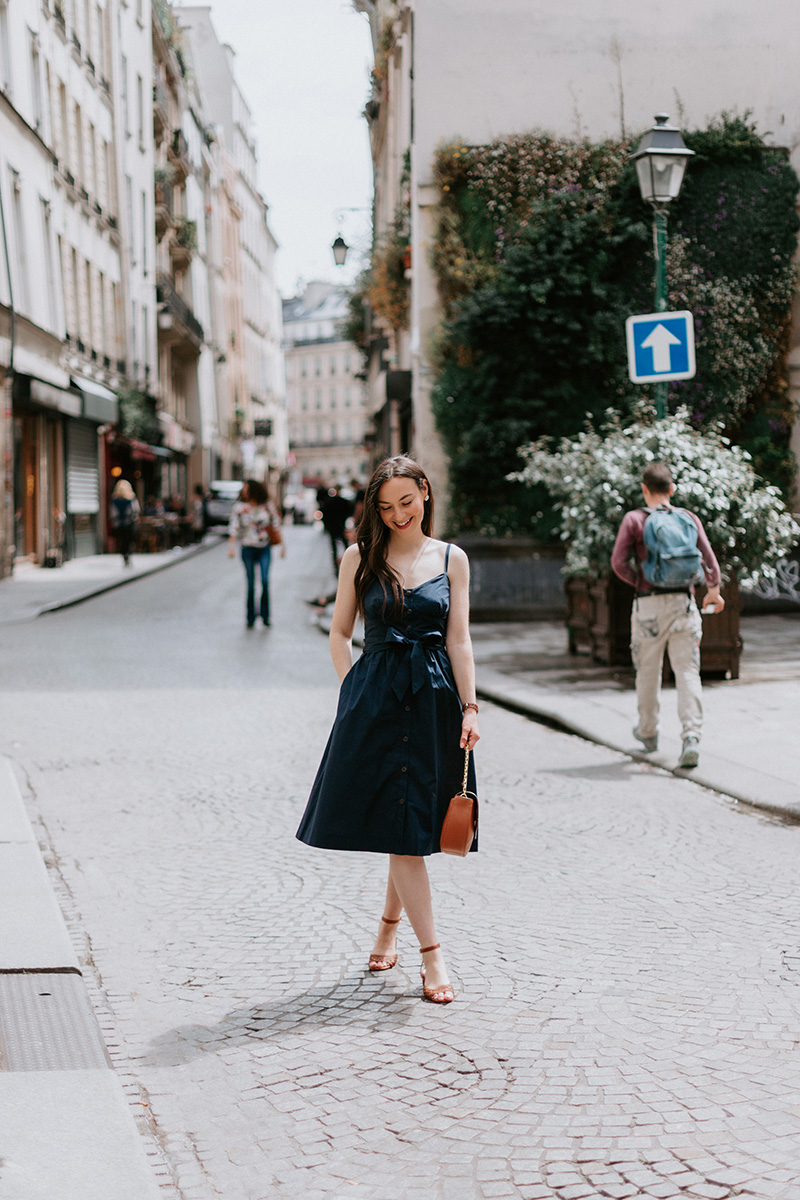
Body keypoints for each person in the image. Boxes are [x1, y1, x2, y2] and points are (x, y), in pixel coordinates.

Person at [296, 455, 480, 1005]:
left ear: (424, 492)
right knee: (401, 827)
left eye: (406, 501)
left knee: (410, 827)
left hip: (434, 703)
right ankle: (433, 956)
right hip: (376, 702)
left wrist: (471, 707)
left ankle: (385, 930)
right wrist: (353, 688)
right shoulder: (360, 556)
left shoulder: (452, 559)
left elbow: (460, 640)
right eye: (386, 507)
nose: (398, 514)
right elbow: (339, 633)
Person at [611, 461, 724, 769]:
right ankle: (691, 737)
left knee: (648, 672)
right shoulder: (688, 518)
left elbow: (619, 562)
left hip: (648, 605)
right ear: (672, 489)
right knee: (687, 672)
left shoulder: (634, 519)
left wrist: (640, 582)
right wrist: (713, 590)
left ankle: (648, 732)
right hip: (683, 605)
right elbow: (709, 561)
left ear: (644, 489)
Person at [228, 479, 285, 628]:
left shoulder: (267, 505)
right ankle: (250, 616)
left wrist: (283, 545)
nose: (244, 491)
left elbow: (276, 523)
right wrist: (231, 547)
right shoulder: (240, 507)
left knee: (265, 581)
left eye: (246, 488)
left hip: (264, 547)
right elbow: (234, 527)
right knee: (251, 583)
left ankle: (265, 616)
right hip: (247, 548)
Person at [321, 485, 353, 571]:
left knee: (334, 547)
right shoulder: (343, 501)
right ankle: (347, 562)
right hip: (341, 525)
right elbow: (349, 512)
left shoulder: (329, 502)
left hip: (333, 527)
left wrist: (327, 526)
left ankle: (337, 564)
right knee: (345, 544)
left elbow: (324, 515)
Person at [110, 479, 140, 567]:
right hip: (129, 523)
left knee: (123, 541)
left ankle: (124, 556)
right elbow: (135, 510)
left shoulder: (114, 500)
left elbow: (113, 512)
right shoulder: (131, 499)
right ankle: (128, 555)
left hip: (119, 524)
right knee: (129, 540)